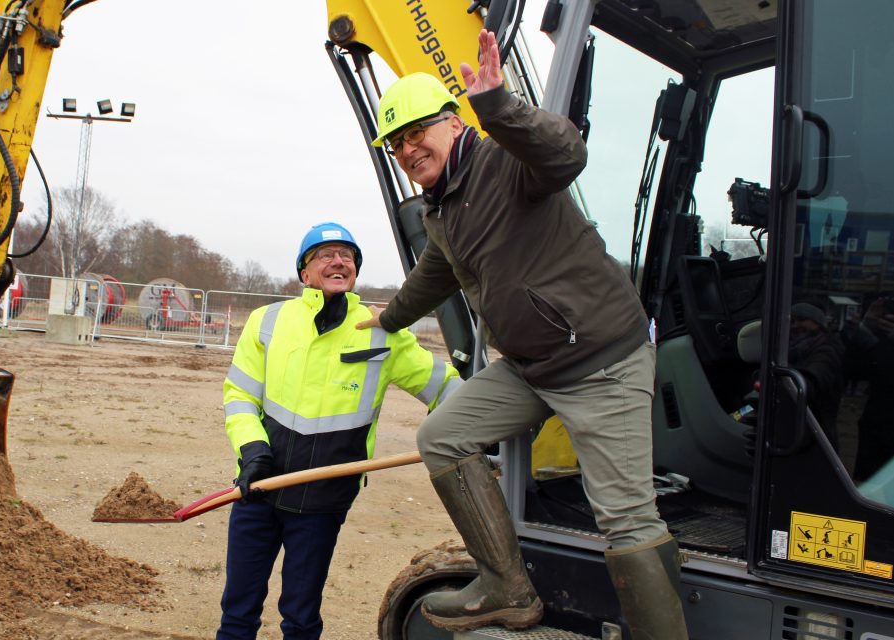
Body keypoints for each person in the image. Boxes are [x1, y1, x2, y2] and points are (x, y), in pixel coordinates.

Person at [355, 30, 687, 637]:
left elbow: (566, 154)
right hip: (533, 365)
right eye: (395, 144)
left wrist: (500, 106)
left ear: (453, 123)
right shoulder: (442, 207)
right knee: (444, 436)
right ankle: (507, 587)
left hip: (599, 360)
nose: (406, 150)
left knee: (626, 520)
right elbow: (437, 271)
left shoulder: (504, 160)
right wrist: (390, 317)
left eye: (415, 133)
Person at [217, 222, 461, 640]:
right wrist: (252, 450)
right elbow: (239, 395)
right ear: (305, 273)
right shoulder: (267, 321)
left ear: (354, 272)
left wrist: (491, 414)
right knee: (238, 610)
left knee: (301, 615)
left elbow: (445, 388)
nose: (338, 260)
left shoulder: (382, 329)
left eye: (347, 255)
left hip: (324, 496)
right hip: (260, 485)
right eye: (325, 254)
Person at [845, 274, 894, 481]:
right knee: (872, 496)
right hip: (878, 430)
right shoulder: (890, 331)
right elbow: (856, 370)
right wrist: (864, 330)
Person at [787, 302, 845, 451]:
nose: (795, 325)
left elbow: (812, 383)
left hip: (816, 437)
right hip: (800, 431)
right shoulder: (795, 350)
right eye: (792, 321)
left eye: (802, 319)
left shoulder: (826, 351)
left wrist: (789, 382)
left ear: (818, 323)